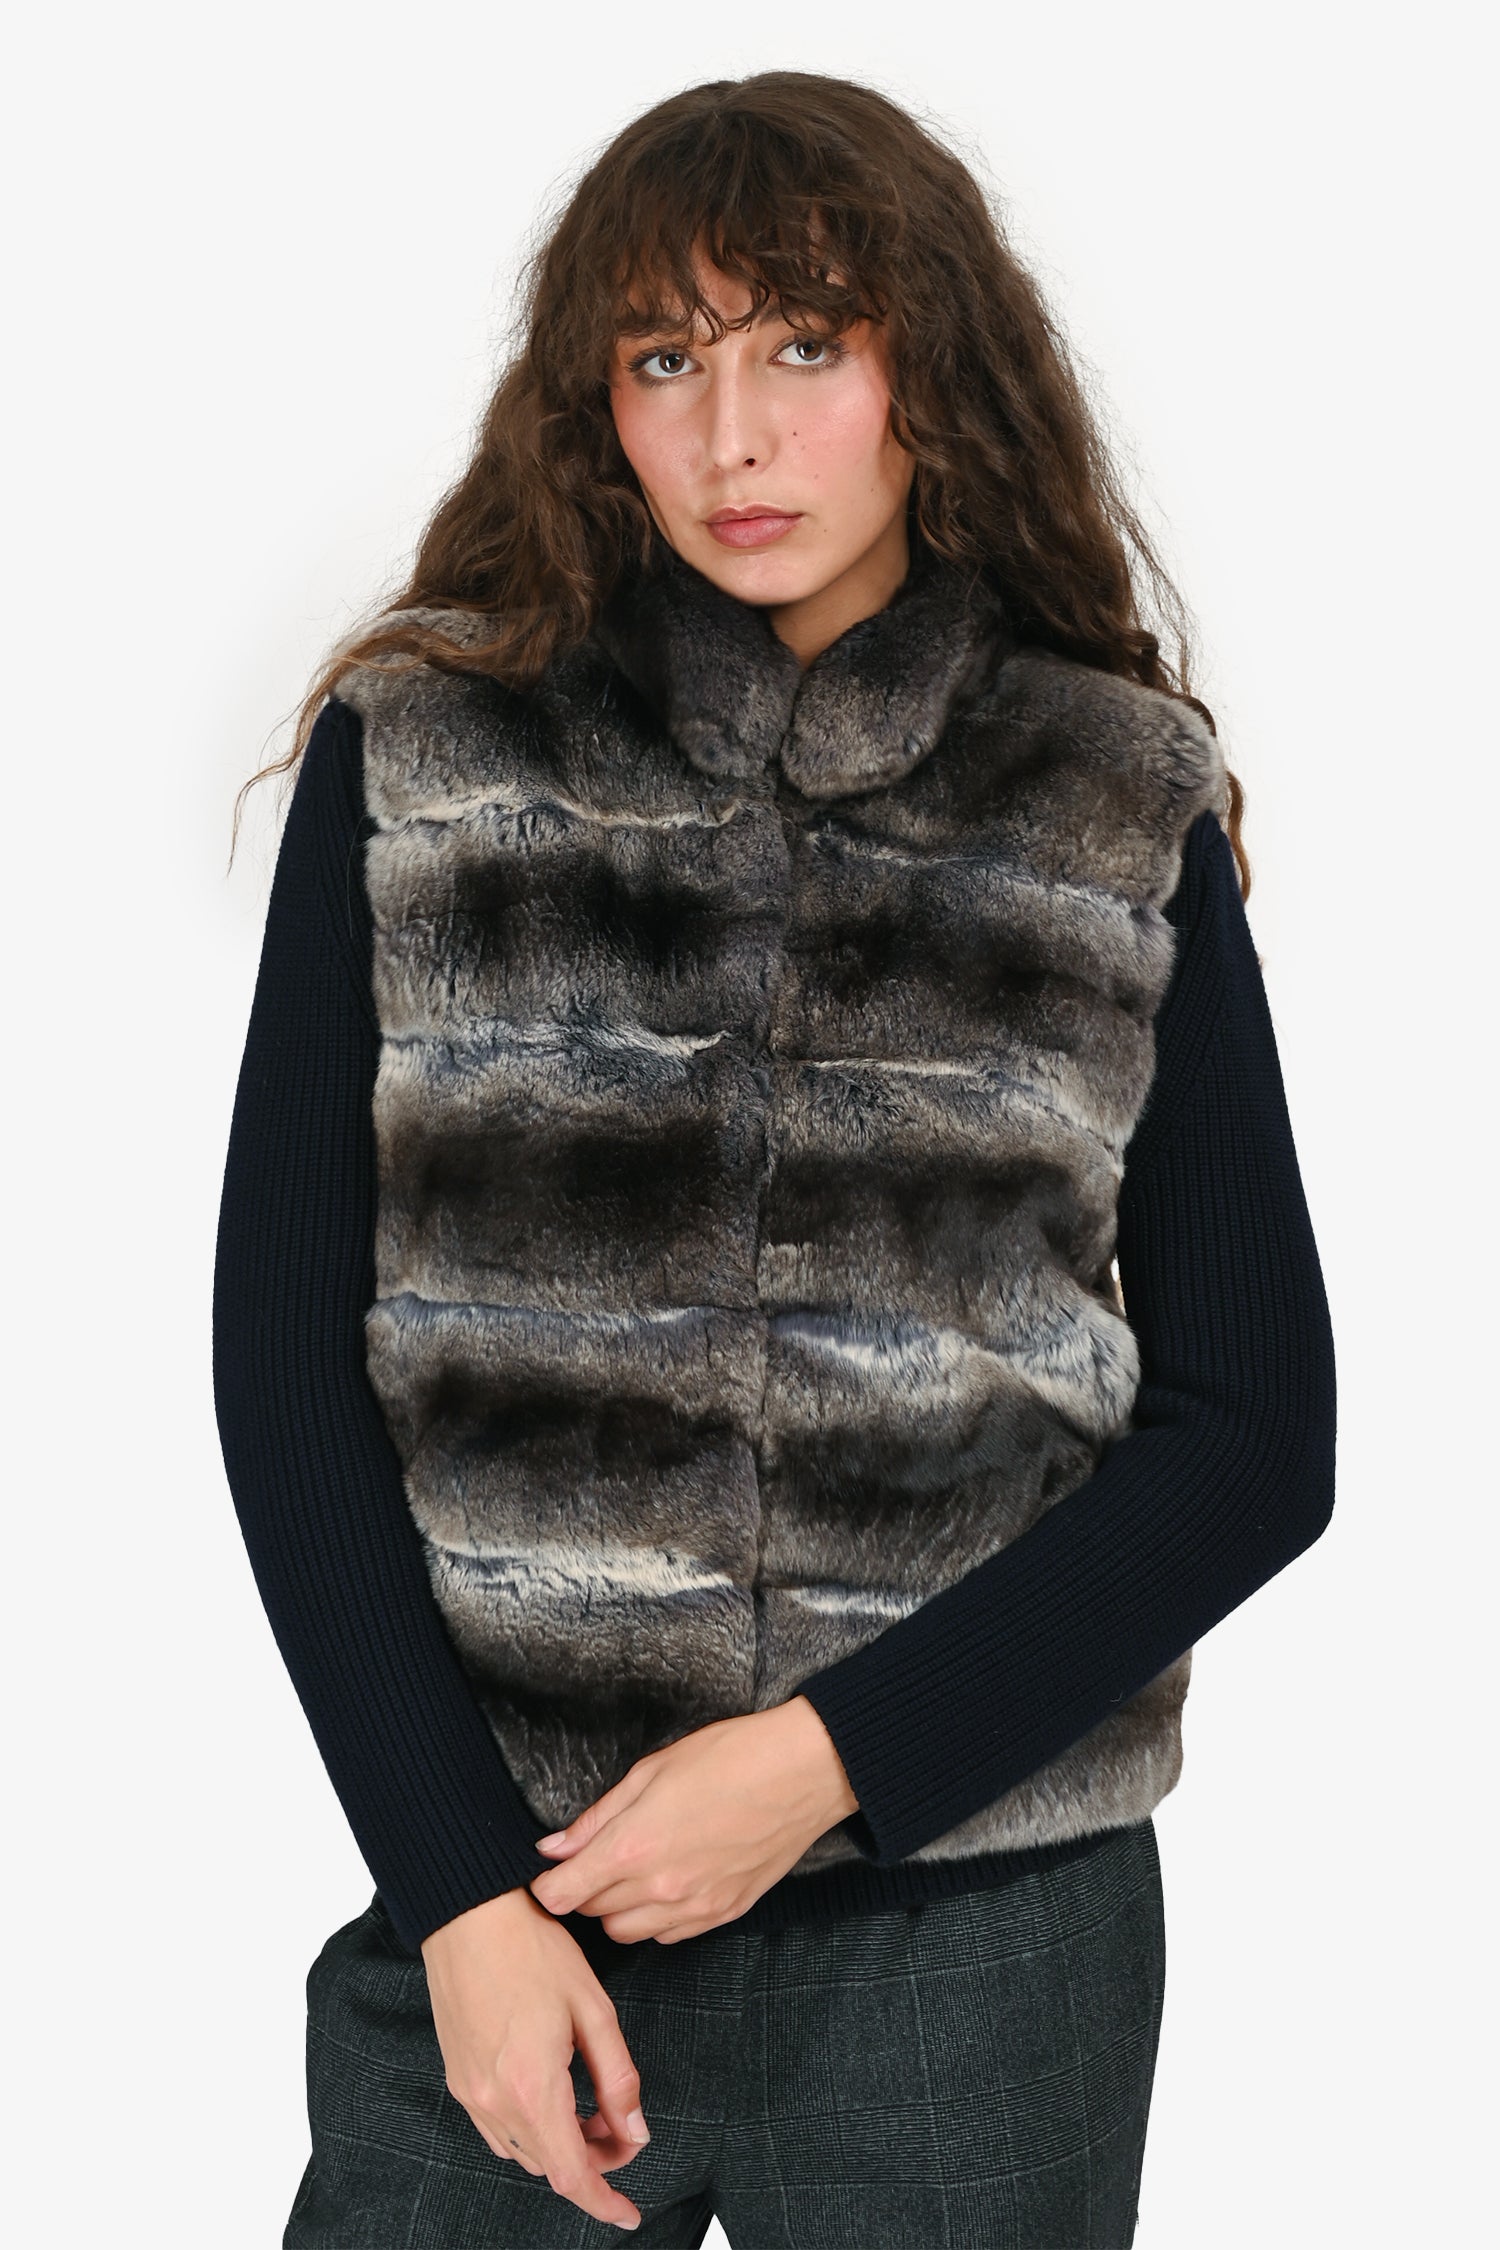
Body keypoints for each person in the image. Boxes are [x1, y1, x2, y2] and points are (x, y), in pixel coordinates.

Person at [213, 69, 1337, 2249]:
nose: (733, 437)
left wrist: (825, 1763)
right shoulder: (428, 758)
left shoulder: (1110, 797)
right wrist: (456, 1894)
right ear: (596, 411)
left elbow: (1254, 1434)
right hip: (519, 1904)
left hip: (978, 1942)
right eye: (665, 359)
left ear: (935, 371)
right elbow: (283, 1364)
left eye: (805, 345)